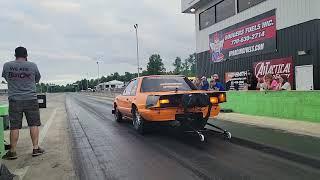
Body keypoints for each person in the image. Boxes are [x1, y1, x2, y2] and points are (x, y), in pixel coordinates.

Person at [2, 47, 44, 160]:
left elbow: (6, 78)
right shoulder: (32, 65)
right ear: (26, 55)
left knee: (14, 126)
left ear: (15, 55)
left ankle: (12, 151)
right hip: (31, 98)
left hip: (14, 100)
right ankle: (35, 149)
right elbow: (37, 79)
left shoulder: (7, 65)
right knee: (33, 124)